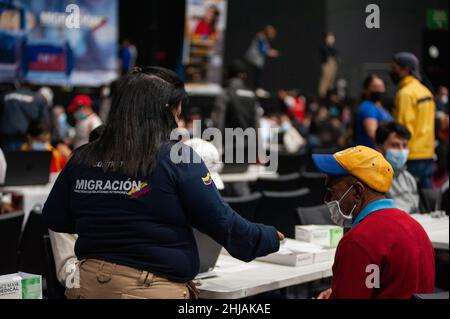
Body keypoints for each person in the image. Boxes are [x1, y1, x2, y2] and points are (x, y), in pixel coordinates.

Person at [42, 66, 283, 299]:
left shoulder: (83, 156)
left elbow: (55, 217)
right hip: (149, 288)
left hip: (88, 286)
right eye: (179, 108)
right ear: (166, 110)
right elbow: (223, 223)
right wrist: (268, 237)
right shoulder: (177, 158)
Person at [313, 146, 434, 299]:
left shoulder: (358, 242)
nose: (327, 199)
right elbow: (380, 283)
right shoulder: (415, 227)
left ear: (357, 191)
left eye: (332, 191)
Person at [391, 52, 436, 189]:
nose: (392, 72)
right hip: (428, 152)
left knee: (407, 196)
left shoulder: (405, 94)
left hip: (411, 154)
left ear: (405, 69)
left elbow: (402, 128)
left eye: (395, 68)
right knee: (427, 197)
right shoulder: (426, 91)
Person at [375, 122, 420, 214]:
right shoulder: (372, 180)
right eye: (395, 145)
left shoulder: (409, 178)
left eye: (404, 146)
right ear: (379, 148)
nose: (401, 150)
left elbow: (416, 211)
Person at [0, 84, 50, 151]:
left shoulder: (5, 96)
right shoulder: (38, 99)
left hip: (6, 141)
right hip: (27, 141)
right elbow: (44, 124)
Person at [356, 75, 393, 149]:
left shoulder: (380, 107)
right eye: (375, 87)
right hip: (373, 153)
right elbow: (373, 133)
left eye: (381, 87)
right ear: (367, 89)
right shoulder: (368, 107)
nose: (379, 90)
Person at [244, 25, 279, 90]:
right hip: (253, 59)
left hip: (254, 59)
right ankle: (256, 89)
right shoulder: (261, 38)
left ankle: (255, 88)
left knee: (255, 76)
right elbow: (262, 49)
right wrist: (271, 52)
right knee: (255, 76)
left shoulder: (262, 38)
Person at [318, 32, 338, 99]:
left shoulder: (333, 48)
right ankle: (322, 94)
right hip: (326, 64)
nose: (331, 39)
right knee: (325, 79)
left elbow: (335, 53)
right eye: (329, 37)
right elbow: (325, 53)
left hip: (333, 64)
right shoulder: (323, 47)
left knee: (331, 80)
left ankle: (329, 94)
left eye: (331, 37)